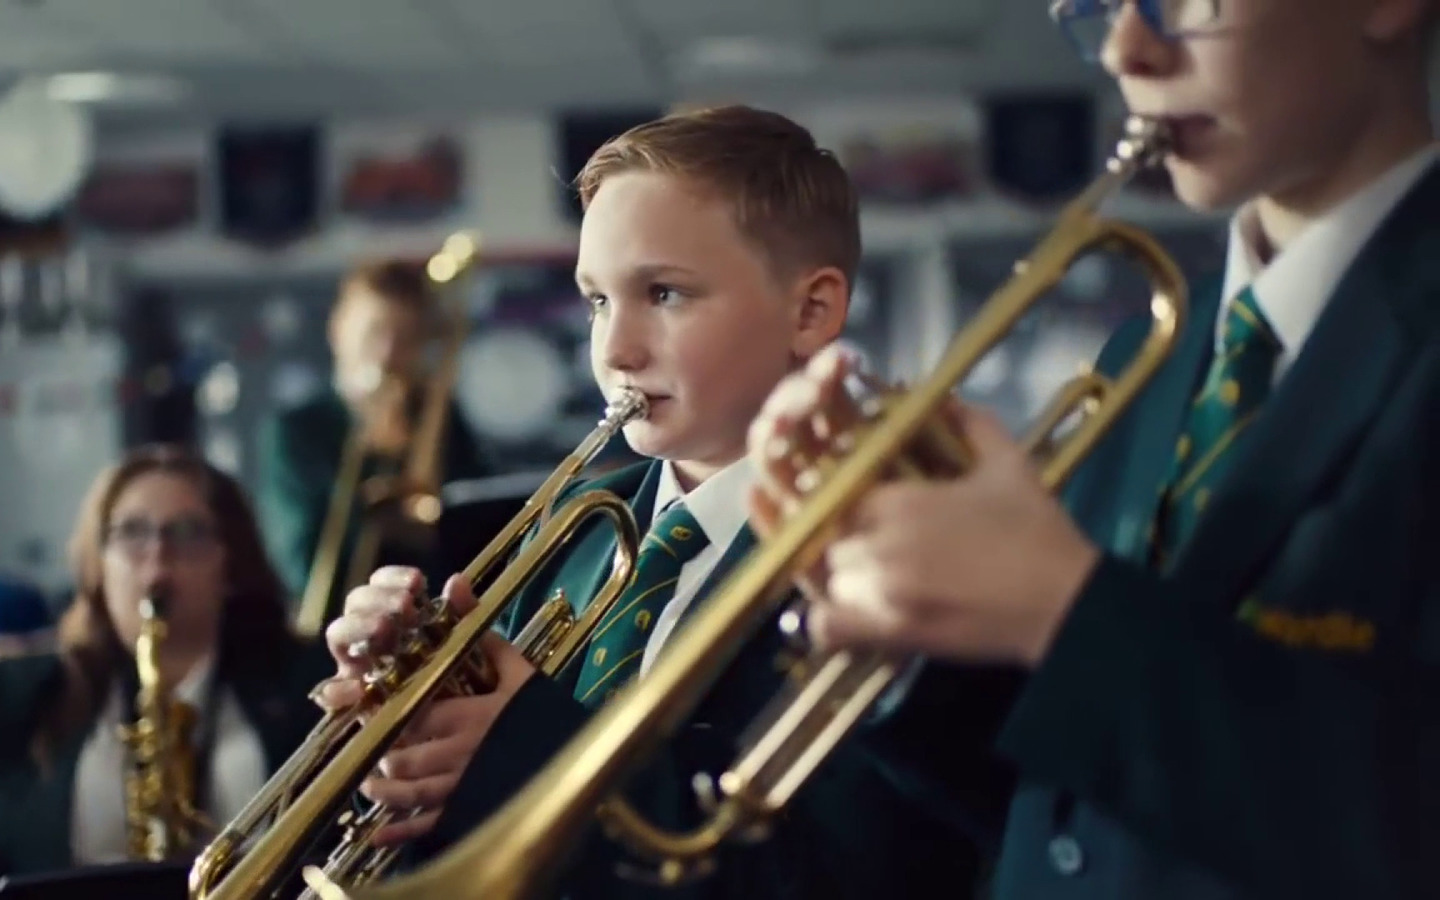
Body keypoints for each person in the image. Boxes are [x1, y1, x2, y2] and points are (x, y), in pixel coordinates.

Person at [746, 1, 1440, 898]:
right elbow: (1064, 810)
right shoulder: (1145, 355)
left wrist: (1060, 610)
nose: (1126, 50)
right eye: (1098, 6)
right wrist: (923, 631)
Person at [313, 105, 1019, 899]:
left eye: (664, 294)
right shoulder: (573, 530)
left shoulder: (901, 548)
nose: (615, 351)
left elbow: (847, 872)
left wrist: (522, 748)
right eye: (597, 302)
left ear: (811, 311)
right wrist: (409, 735)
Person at [0, 445, 332, 899]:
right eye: (132, 533)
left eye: (188, 533)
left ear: (230, 562)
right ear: (97, 563)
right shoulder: (14, 694)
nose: (158, 561)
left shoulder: (308, 683)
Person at [257, 258, 489, 619]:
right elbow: (301, 565)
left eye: (405, 339)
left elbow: (476, 534)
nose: (386, 356)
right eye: (374, 332)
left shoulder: (442, 420)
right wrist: (371, 467)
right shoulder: (297, 430)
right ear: (338, 331)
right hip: (331, 636)